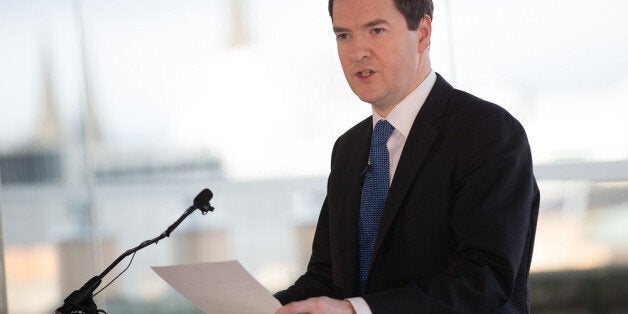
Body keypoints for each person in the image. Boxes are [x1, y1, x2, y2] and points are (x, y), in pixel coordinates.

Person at [274, 0, 540, 312]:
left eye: (376, 30)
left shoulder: (488, 133)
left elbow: (482, 281)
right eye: (344, 36)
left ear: (423, 34)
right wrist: (260, 307)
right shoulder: (348, 148)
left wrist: (356, 311)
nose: (357, 51)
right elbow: (327, 276)